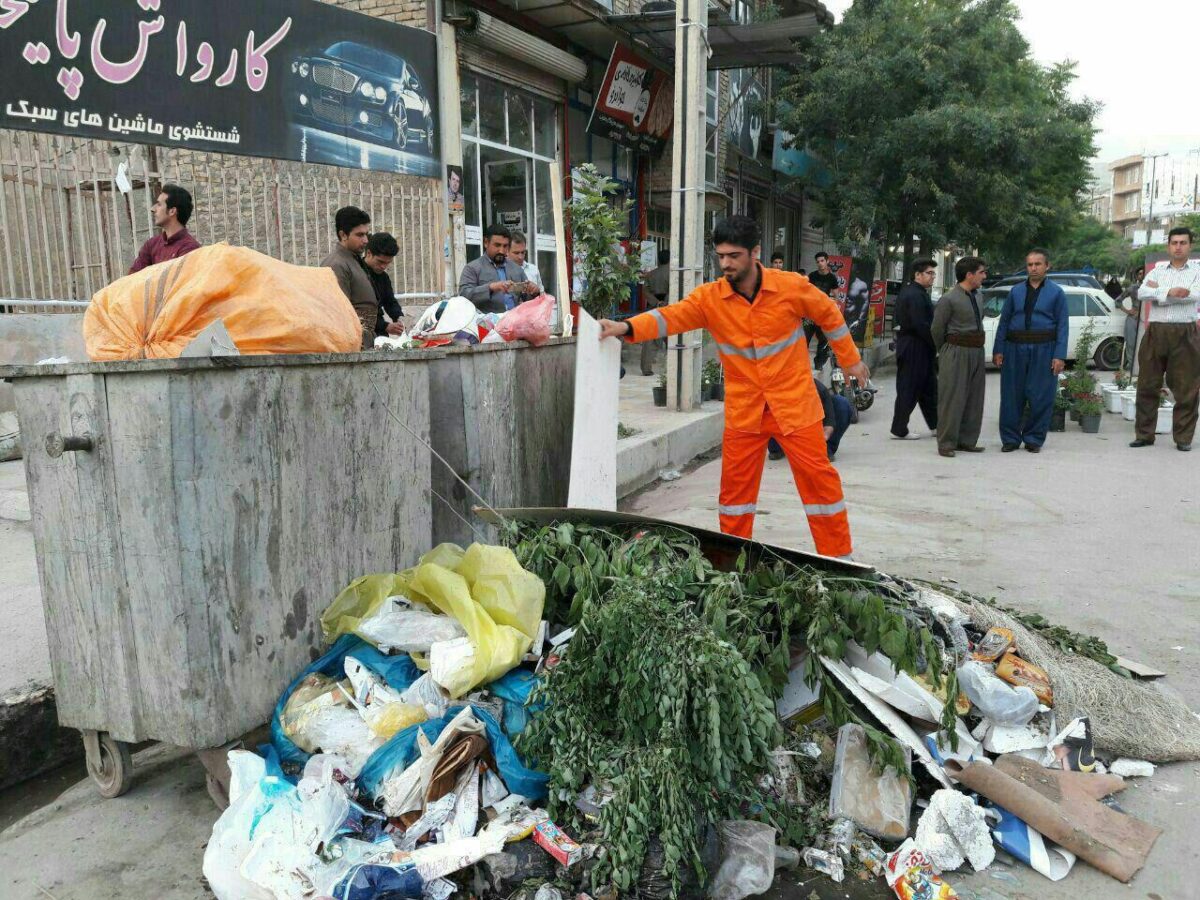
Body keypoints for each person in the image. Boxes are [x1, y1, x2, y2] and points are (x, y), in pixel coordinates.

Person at [596, 215, 870, 559]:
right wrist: (624, 327)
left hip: (795, 406)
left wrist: (850, 359)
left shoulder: (790, 287)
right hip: (746, 412)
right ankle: (733, 565)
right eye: (721, 255)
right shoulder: (711, 299)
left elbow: (829, 315)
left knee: (821, 488)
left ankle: (838, 560)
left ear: (755, 252)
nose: (725, 263)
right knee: (735, 497)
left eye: (733, 256)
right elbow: (670, 317)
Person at [1130, 227, 1200, 451]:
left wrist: (1159, 293)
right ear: (1168, 246)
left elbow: (1194, 295)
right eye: (1174, 242)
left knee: (1186, 387)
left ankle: (1183, 438)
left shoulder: (1197, 272)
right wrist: (1172, 292)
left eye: (1183, 242)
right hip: (1156, 332)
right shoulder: (1158, 271)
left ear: (1190, 245)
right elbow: (1142, 293)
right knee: (1147, 384)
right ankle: (1144, 434)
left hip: (1185, 333)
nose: (1178, 247)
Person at [993, 248, 1069, 453]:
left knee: (1041, 395)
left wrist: (1059, 355)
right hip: (1014, 348)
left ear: (1047, 266)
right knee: (1011, 395)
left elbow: (1062, 326)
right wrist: (998, 349)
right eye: (1030, 264)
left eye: (1038, 264)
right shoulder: (1015, 291)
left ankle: (1034, 439)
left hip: (1044, 349)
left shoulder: (1056, 293)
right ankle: (1010, 438)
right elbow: (1004, 321)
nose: (1033, 268)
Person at [932, 256, 989, 457]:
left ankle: (967, 440)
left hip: (976, 351)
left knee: (975, 398)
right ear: (969, 275)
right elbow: (937, 329)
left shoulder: (979, 296)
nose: (985, 275)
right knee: (952, 398)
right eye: (981, 272)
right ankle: (946, 443)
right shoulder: (948, 299)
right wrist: (946, 351)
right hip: (955, 351)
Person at [890, 257, 939, 439]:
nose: (932, 276)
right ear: (918, 275)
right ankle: (899, 428)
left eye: (933, 273)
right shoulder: (914, 295)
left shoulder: (916, 292)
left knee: (929, 388)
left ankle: (936, 425)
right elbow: (921, 325)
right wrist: (935, 343)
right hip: (914, 346)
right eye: (929, 273)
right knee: (909, 388)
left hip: (919, 346)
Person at [321, 206, 377, 349]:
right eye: (359, 235)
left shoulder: (353, 260)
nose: (365, 240)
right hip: (351, 344)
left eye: (366, 234)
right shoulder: (337, 264)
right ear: (343, 235)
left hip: (363, 340)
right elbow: (338, 312)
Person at [770, 379, 852, 462]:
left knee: (842, 404)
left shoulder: (812, 386)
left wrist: (829, 424)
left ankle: (825, 448)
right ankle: (778, 447)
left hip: (810, 423)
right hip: (783, 423)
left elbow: (828, 407)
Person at [458, 224, 533, 314]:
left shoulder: (517, 269)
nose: (501, 251)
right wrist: (491, 288)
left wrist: (534, 291)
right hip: (485, 325)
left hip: (513, 324)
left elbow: (528, 301)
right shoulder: (473, 268)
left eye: (505, 246)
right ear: (486, 243)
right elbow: (464, 296)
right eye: (497, 245)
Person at [129, 184, 201, 273]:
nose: (153, 209)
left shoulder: (190, 249)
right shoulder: (152, 244)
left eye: (159, 204)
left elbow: (179, 283)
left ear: (172, 211)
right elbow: (133, 277)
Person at [363, 232, 405, 338]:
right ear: (369, 253)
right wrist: (385, 326)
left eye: (387, 263)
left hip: (379, 334)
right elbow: (358, 310)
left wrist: (398, 317)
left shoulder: (383, 277)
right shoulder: (357, 274)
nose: (383, 266)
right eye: (380, 261)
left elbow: (389, 301)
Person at [640, 249, 670, 376]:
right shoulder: (672, 273)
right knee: (673, 338)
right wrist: (664, 303)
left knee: (648, 339)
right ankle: (674, 367)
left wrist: (656, 302)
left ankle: (646, 368)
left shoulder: (651, 274)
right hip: (668, 307)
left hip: (652, 307)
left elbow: (645, 291)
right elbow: (673, 289)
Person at [806, 251, 839, 368]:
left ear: (827, 261)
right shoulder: (812, 276)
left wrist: (829, 303)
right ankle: (799, 364)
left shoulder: (832, 278)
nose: (820, 263)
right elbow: (804, 292)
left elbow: (836, 296)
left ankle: (819, 363)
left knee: (823, 340)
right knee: (803, 339)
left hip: (823, 314)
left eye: (822, 261)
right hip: (809, 314)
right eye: (818, 261)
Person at [1114, 266, 1144, 371]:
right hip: (1133, 319)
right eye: (1140, 273)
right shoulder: (1133, 288)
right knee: (1131, 344)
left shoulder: (1154, 288)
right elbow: (1118, 301)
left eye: (1144, 273)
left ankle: (1144, 368)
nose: (1142, 275)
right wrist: (1127, 311)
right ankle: (1132, 368)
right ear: (1137, 276)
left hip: (1147, 320)